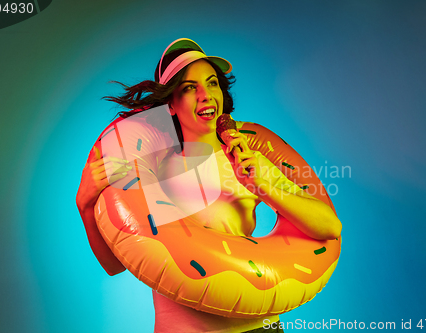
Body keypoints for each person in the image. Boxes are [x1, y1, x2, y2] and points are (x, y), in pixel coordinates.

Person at [76, 38, 342, 333]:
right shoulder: (152, 172)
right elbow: (116, 266)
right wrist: (86, 207)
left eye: (212, 83)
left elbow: (329, 227)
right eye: (189, 88)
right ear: (171, 105)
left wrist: (262, 185)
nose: (205, 95)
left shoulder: (248, 159)